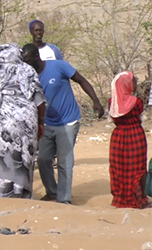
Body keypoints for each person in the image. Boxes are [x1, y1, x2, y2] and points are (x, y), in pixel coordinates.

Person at [22, 43, 104, 204]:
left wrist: (96, 101)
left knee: (64, 161)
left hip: (67, 121)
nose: (25, 64)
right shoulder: (29, 77)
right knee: (44, 159)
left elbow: (81, 80)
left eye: (27, 60)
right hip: (46, 123)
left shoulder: (59, 66)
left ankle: (64, 198)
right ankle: (52, 191)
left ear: (36, 57)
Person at [0, 43, 46, 199]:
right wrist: (40, 123)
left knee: (3, 159)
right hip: (28, 124)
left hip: (4, 124)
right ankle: (21, 196)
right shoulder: (29, 70)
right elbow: (40, 101)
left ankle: (1, 198)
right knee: (23, 160)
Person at [108, 72, 148, 209]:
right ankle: (139, 198)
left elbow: (114, 119)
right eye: (133, 82)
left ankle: (120, 198)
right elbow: (140, 117)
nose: (135, 85)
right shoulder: (137, 102)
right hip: (136, 135)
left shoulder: (112, 102)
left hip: (118, 137)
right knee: (138, 168)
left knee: (118, 168)